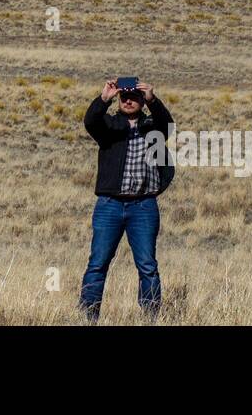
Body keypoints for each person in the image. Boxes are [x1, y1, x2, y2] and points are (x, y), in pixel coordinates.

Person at [79, 79, 174, 322]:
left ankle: (150, 318)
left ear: (142, 101)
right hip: (110, 205)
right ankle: (88, 317)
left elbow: (169, 126)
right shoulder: (108, 126)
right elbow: (90, 122)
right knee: (98, 264)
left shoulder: (153, 128)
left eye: (134, 97)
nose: (128, 101)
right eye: (124, 97)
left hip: (143, 206)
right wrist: (103, 99)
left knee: (147, 266)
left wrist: (153, 99)